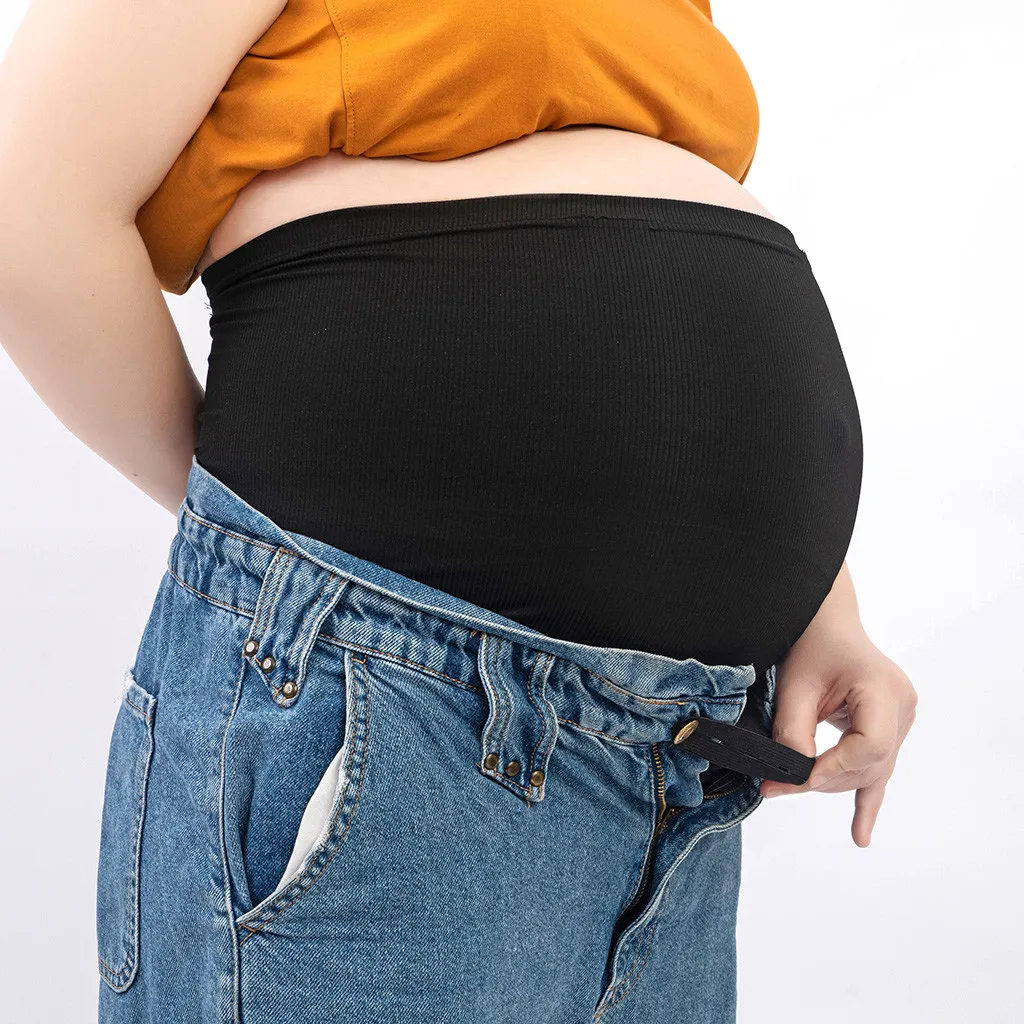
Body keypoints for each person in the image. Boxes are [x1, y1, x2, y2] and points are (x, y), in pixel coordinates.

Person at [0, 0, 918, 1020]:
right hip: (392, 691)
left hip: (677, 755)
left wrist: (817, 596)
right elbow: (29, 198)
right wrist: (271, 547)